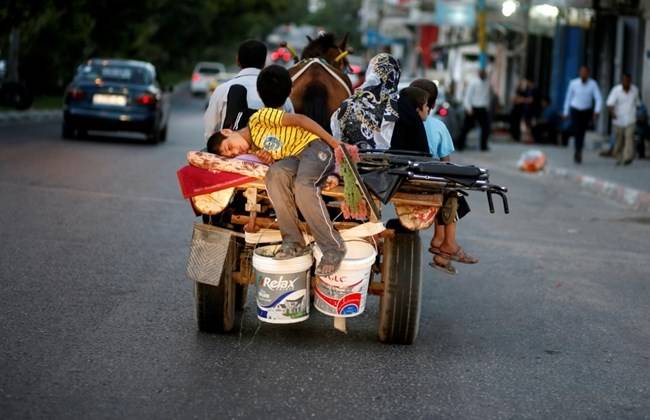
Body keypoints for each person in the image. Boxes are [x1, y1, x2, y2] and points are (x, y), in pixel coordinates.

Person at [207, 65, 346, 276]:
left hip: (315, 149)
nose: (235, 152)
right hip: (295, 157)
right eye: (231, 155)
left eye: (229, 147)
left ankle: (332, 247)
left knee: (303, 186)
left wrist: (334, 143)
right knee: (275, 175)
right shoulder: (255, 148)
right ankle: (293, 241)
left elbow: (300, 120)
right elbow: (279, 150)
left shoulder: (259, 119)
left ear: (228, 131)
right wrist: (270, 158)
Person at [409, 79, 478, 275]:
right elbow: (446, 162)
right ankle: (445, 242)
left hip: (402, 177)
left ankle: (441, 243)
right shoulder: (437, 126)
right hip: (426, 179)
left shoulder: (397, 122)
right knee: (451, 189)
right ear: (431, 103)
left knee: (445, 188)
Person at [203, 39, 293, 140]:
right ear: (264, 62)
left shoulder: (222, 90)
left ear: (237, 60)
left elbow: (210, 133)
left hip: (229, 153)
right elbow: (292, 130)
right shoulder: (281, 93)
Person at [331, 53, 400, 149]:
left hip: (353, 162)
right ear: (395, 75)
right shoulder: (400, 105)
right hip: (391, 162)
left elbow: (338, 138)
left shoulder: (348, 103)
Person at [562, 65, 602, 164]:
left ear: (588, 73)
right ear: (579, 73)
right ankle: (577, 150)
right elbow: (568, 97)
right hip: (575, 108)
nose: (583, 74)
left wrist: (597, 110)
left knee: (582, 131)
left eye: (585, 72)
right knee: (576, 130)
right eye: (582, 72)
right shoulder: (573, 83)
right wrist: (565, 111)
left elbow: (598, 98)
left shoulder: (593, 84)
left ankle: (579, 150)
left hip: (586, 110)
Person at [606, 73, 640, 166]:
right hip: (618, 119)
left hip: (630, 119)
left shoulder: (635, 90)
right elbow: (609, 104)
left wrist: (638, 115)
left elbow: (637, 104)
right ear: (622, 81)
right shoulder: (616, 90)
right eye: (625, 80)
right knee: (619, 140)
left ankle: (627, 157)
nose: (626, 82)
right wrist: (612, 113)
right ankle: (618, 156)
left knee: (629, 138)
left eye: (628, 81)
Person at [458, 69, 492, 151]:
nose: (484, 75)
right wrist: (468, 108)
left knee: (486, 128)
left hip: (483, 108)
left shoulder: (487, 83)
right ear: (479, 74)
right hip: (473, 108)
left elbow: (487, 96)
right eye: (482, 73)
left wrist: (487, 106)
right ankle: (460, 145)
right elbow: (467, 96)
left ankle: (483, 146)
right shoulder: (473, 83)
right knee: (467, 127)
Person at [389, 86, 430, 153]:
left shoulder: (394, 124)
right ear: (417, 109)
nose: (428, 108)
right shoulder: (416, 127)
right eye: (426, 105)